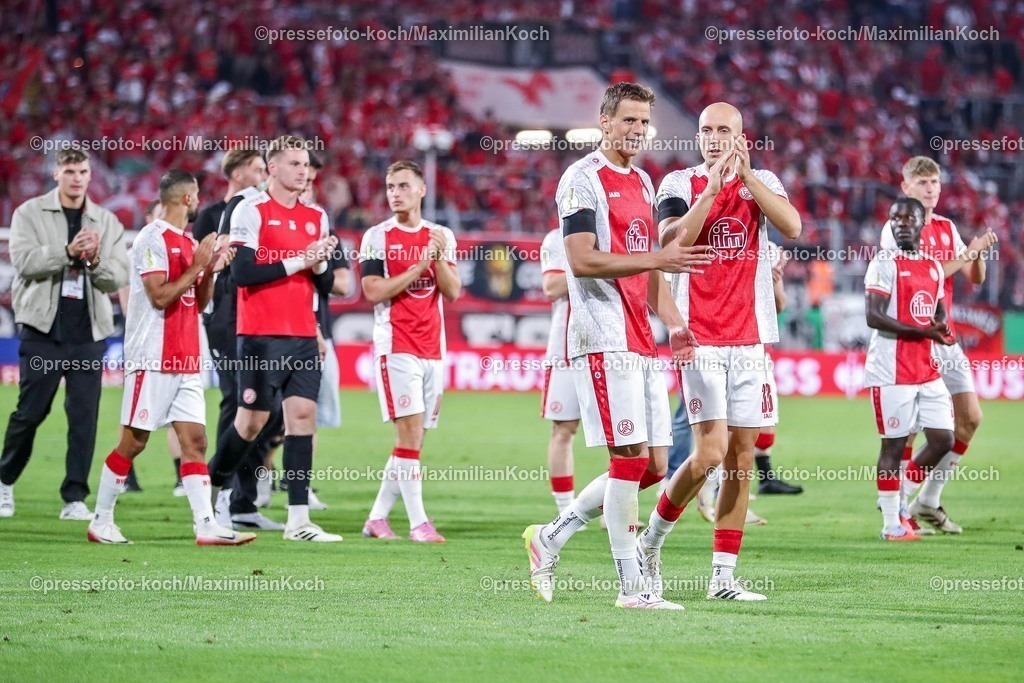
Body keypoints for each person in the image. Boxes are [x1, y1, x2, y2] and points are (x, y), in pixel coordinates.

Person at [521, 82, 708, 610]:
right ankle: (632, 588)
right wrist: (656, 261)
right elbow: (581, 258)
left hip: (641, 339)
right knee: (626, 460)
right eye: (627, 120)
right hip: (602, 335)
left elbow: (646, 264)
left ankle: (550, 537)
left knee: (651, 466)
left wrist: (673, 321)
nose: (637, 130)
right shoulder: (581, 180)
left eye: (643, 122)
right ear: (604, 122)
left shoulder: (643, 181)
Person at [638, 102, 802, 602]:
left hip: (751, 339)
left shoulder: (763, 180)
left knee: (741, 456)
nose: (713, 138)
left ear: (741, 135)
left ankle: (723, 578)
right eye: (706, 130)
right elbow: (671, 239)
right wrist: (711, 188)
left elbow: (791, 227)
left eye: (723, 131)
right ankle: (652, 539)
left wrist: (746, 178)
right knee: (708, 453)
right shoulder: (677, 184)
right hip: (700, 337)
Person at [87, 170, 252, 545]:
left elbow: (199, 304)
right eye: (196, 195)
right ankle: (101, 519)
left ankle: (205, 524)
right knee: (134, 442)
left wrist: (208, 269)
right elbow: (159, 296)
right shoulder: (151, 238)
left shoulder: (187, 241)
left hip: (186, 357)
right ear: (188, 199)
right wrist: (197, 265)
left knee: (195, 441)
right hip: (153, 357)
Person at [207, 135, 342, 542]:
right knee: (249, 425)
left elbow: (328, 282)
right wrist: (303, 259)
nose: (304, 171)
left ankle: (298, 520)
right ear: (273, 168)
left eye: (306, 165)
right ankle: (211, 496)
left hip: (302, 334)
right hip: (260, 335)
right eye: (296, 164)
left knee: (303, 418)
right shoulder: (250, 210)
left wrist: (319, 263)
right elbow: (243, 273)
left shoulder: (315, 215)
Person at [1, 148, 129, 520]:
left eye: (83, 171)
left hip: (88, 333)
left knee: (84, 417)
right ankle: (4, 480)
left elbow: (116, 278)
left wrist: (94, 261)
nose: (77, 178)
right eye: (70, 171)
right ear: (56, 174)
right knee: (30, 412)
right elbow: (23, 262)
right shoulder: (29, 212)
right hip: (43, 330)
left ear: (91, 176)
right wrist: (67, 252)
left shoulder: (105, 220)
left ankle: (75, 497)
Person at [878, 156, 998, 534]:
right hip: (911, 339)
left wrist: (976, 254)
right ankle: (896, 507)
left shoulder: (947, 228)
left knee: (970, 419)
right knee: (911, 430)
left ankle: (927, 499)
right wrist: (966, 253)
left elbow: (972, 277)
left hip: (944, 338)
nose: (931, 189)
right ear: (906, 188)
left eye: (935, 183)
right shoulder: (895, 229)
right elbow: (922, 274)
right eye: (923, 183)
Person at [360, 160, 460, 543]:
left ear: (421, 190)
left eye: (403, 186)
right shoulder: (377, 237)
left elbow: (451, 292)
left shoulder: (440, 235)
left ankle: (377, 518)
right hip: (396, 345)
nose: (395, 193)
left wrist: (435, 258)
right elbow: (372, 291)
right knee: (410, 432)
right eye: (390, 187)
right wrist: (419, 266)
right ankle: (419, 523)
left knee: (412, 439)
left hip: (433, 349)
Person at [865, 197, 956, 542]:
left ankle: (900, 500)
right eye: (895, 219)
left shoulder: (933, 266)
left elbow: (939, 310)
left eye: (908, 218)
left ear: (921, 224)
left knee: (943, 438)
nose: (901, 223)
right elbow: (873, 317)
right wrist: (924, 332)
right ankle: (891, 523)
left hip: (926, 368)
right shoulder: (883, 262)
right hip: (891, 370)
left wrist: (943, 330)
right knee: (893, 446)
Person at [539, 228, 581, 515]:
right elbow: (552, 286)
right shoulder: (558, 238)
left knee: (622, 436)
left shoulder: (620, 231)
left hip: (616, 349)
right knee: (564, 429)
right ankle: (566, 511)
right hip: (567, 349)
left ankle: (616, 510)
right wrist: (592, 262)